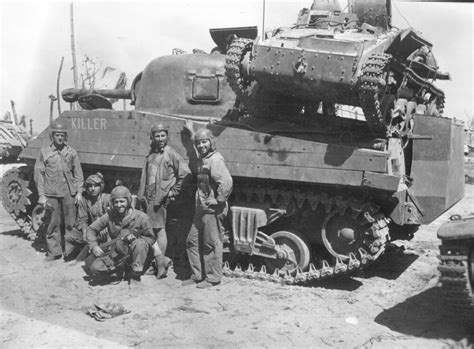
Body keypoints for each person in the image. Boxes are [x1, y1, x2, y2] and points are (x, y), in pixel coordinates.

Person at [137, 122, 192, 279]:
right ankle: (158, 261)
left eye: (163, 135)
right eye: (157, 136)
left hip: (158, 198)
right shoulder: (152, 154)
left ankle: (160, 264)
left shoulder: (170, 153)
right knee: (151, 230)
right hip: (148, 197)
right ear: (152, 137)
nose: (160, 138)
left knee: (159, 230)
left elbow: (185, 174)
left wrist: (172, 192)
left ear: (167, 137)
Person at [183, 126, 232, 289]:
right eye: (198, 143)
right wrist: (191, 132)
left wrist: (218, 200)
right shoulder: (204, 157)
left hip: (212, 210)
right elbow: (196, 150)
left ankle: (213, 278)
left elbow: (226, 182)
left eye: (204, 142)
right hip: (201, 209)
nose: (201, 146)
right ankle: (197, 274)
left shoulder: (215, 159)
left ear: (211, 143)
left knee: (211, 243)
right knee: (192, 241)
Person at [34, 120, 84, 261]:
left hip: (69, 193)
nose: (60, 138)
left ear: (65, 136)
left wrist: (79, 192)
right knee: (52, 223)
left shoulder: (71, 152)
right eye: (57, 135)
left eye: (62, 135)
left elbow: (78, 174)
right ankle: (54, 252)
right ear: (52, 136)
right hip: (51, 194)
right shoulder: (44, 152)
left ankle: (70, 252)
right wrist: (42, 195)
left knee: (70, 224)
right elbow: (39, 175)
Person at [86, 185, 156, 282]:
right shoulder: (110, 216)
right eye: (116, 202)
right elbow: (91, 229)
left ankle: (136, 273)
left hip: (137, 254)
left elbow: (150, 238)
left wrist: (137, 239)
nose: (119, 205)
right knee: (95, 268)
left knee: (140, 243)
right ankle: (122, 269)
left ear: (128, 201)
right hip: (118, 253)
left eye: (122, 201)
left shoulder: (142, 217)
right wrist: (94, 246)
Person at [63, 172, 110, 260]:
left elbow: (115, 217)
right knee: (70, 235)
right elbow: (82, 219)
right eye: (90, 186)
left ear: (101, 187)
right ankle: (74, 254)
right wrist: (85, 231)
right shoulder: (85, 201)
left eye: (96, 186)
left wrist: (108, 227)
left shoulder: (107, 199)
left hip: (107, 232)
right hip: (93, 232)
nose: (93, 189)